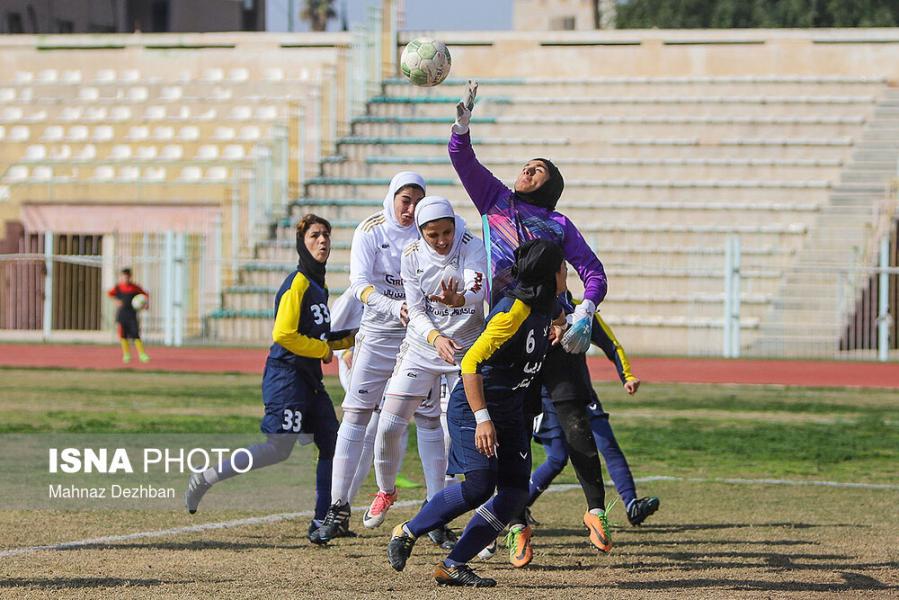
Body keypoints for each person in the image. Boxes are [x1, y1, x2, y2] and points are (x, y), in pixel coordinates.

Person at [449, 80, 614, 553]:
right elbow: (463, 160)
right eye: (527, 165)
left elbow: (593, 271)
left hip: (552, 329)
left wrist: (583, 311)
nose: (527, 168)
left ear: (551, 187)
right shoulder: (494, 199)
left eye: (537, 169)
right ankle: (517, 522)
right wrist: (462, 127)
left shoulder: (559, 225)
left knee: (574, 417)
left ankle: (597, 510)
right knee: (511, 424)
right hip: (505, 327)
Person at [387, 239, 567, 588]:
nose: (566, 273)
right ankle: (407, 531)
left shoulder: (548, 303)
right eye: (563, 267)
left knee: (515, 493)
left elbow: (559, 316)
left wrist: (560, 328)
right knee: (479, 487)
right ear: (549, 273)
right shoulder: (511, 312)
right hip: (475, 409)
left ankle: (453, 565)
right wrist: (483, 418)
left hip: (512, 411)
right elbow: (470, 363)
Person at [184, 214, 355, 541]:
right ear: (301, 243)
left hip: (309, 380)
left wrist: (352, 338)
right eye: (315, 236)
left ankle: (323, 522)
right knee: (278, 449)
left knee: (332, 442)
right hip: (286, 377)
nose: (323, 242)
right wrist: (322, 351)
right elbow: (284, 335)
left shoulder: (318, 284)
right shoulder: (298, 282)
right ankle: (206, 477)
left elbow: (318, 336)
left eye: (326, 236)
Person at [310, 172, 428, 544]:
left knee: (429, 420)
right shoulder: (370, 230)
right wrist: (394, 309)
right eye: (404, 200)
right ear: (391, 197)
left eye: (416, 201)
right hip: (377, 335)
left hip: (419, 336)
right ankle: (338, 507)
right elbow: (359, 284)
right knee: (357, 417)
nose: (410, 209)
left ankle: (434, 510)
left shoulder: (431, 230)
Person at [364, 196, 487, 530]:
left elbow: (479, 284)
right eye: (434, 235)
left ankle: (476, 518)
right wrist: (434, 338)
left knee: (465, 434)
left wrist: (459, 298)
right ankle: (386, 491)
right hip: (424, 346)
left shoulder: (470, 244)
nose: (442, 240)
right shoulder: (411, 255)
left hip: (466, 349)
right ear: (421, 233)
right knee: (388, 426)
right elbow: (415, 310)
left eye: (446, 232)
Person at [505, 310, 660, 567]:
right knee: (556, 458)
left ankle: (630, 503)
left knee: (607, 444)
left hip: (579, 392)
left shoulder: (581, 310)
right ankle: (512, 512)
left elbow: (611, 343)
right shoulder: (519, 308)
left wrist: (627, 375)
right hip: (542, 397)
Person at [107, 268, 150, 364]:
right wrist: (116, 301)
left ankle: (142, 354)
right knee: (123, 335)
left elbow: (145, 295)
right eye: (123, 276)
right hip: (122, 314)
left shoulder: (134, 287)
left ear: (130, 277)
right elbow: (109, 294)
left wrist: (145, 304)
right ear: (121, 277)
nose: (125, 278)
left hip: (132, 315)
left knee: (135, 334)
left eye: (127, 276)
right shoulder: (118, 288)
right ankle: (126, 354)